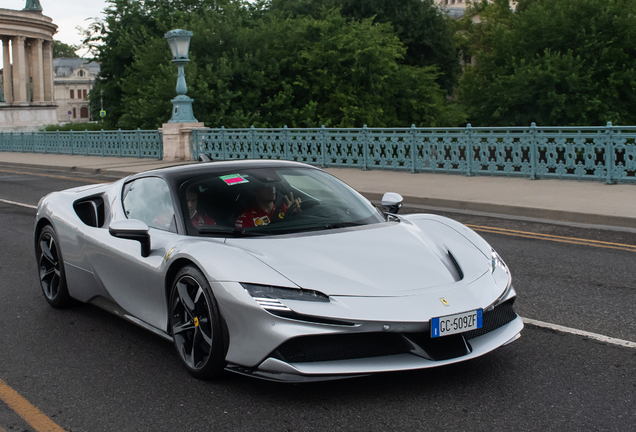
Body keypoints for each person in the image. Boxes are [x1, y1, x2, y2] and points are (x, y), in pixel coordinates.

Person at [235, 185, 300, 229]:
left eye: (272, 185)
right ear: (256, 192)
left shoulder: (284, 208)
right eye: (266, 186)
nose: (272, 189)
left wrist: (295, 212)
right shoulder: (246, 218)